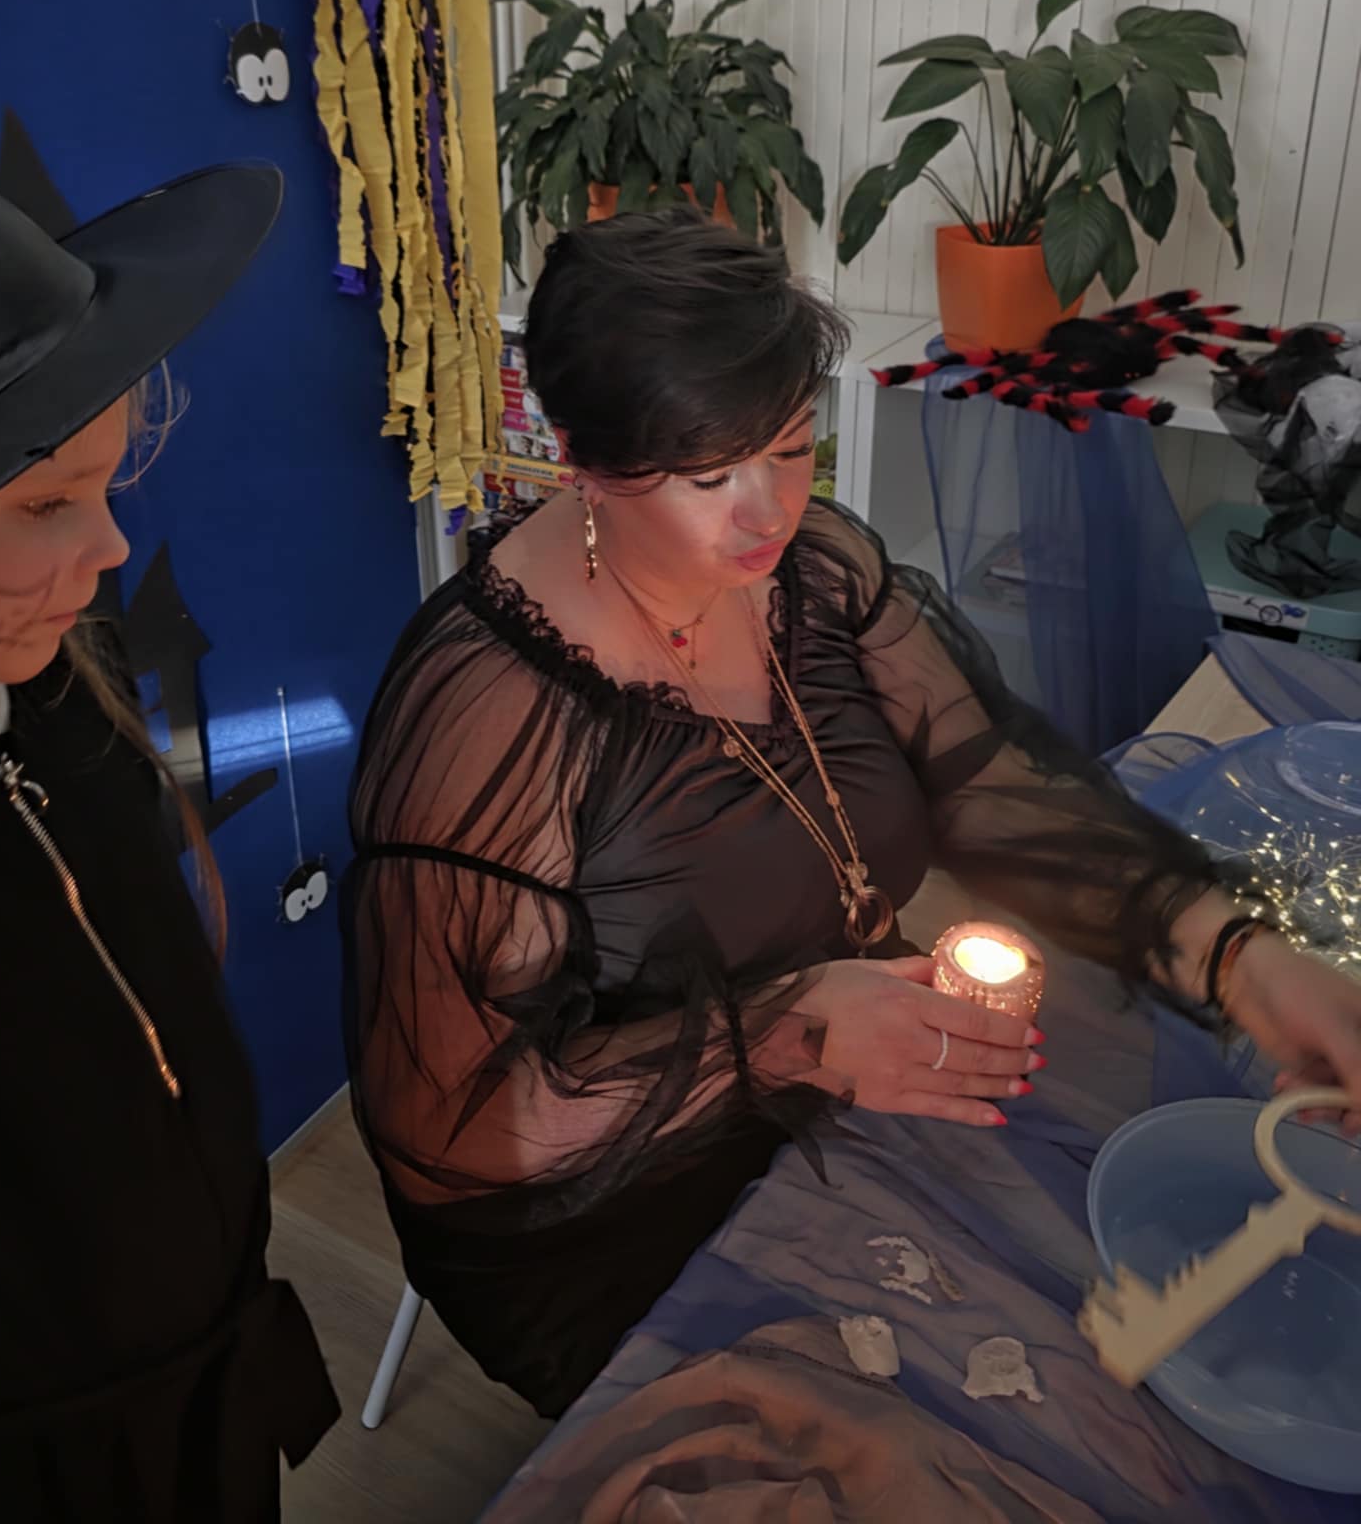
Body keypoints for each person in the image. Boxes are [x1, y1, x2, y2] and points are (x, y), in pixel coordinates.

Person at [345, 206, 1361, 1419]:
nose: (767, 511)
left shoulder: (814, 570)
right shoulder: (496, 711)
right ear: (582, 458)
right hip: (606, 1201)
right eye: (709, 476)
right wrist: (785, 1030)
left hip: (845, 1059)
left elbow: (989, 785)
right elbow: (456, 1126)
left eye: (790, 446)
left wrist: (1238, 958)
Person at [0, 105, 338, 1522]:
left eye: (104, 488)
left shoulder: (45, 678)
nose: (111, 546)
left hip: (198, 1384)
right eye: (51, 504)